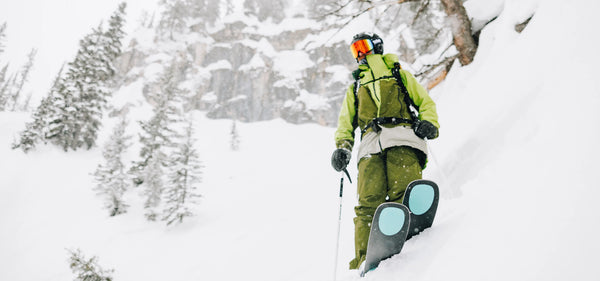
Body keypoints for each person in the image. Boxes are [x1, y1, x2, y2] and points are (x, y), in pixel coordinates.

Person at [331, 32, 440, 270]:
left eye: (363, 46)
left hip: (401, 136)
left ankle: (413, 241)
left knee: (404, 188)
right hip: (370, 146)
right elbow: (345, 124)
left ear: (377, 46)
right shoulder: (355, 88)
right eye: (354, 50)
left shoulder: (397, 74)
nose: (360, 54)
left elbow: (425, 102)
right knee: (368, 202)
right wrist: (342, 147)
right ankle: (364, 260)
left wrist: (429, 122)